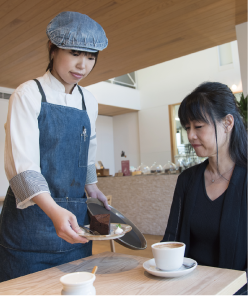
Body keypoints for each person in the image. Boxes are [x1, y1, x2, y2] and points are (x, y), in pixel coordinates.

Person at [0, 11, 110, 282]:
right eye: (75, 53)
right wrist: (53, 211)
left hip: (75, 226)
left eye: (91, 56)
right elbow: (22, 168)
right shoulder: (28, 94)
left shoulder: (89, 100)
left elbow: (87, 152)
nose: (83, 65)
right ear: (52, 48)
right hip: (30, 230)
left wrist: (92, 188)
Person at [162, 82, 248, 295]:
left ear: (228, 123)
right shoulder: (187, 180)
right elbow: (171, 240)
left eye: (198, 126)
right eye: (187, 127)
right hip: (187, 288)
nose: (190, 135)